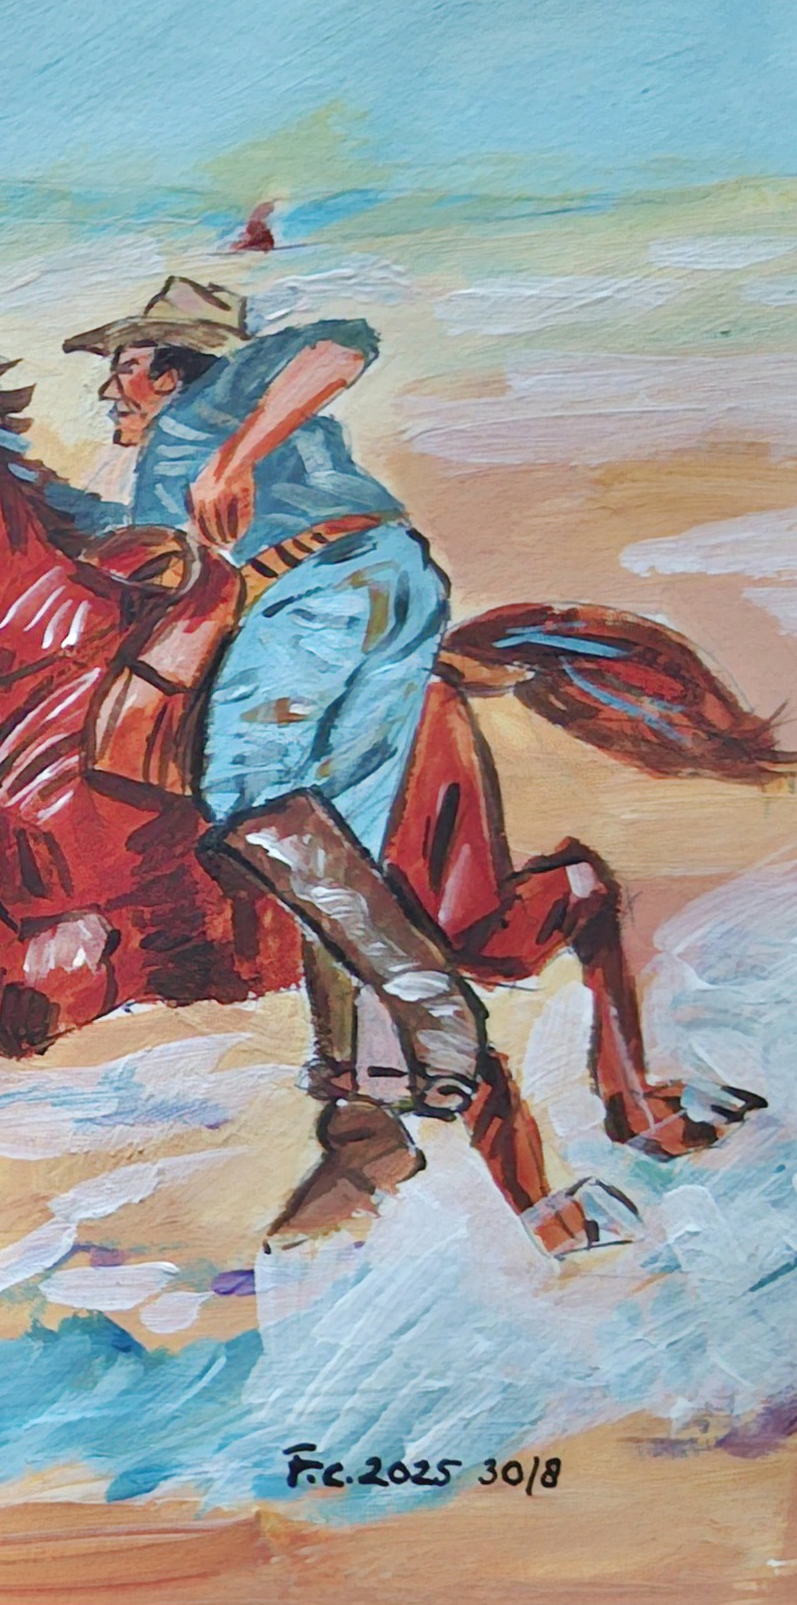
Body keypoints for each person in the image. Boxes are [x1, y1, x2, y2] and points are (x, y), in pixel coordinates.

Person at [64, 276, 483, 1115]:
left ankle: (434, 1003)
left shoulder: (220, 391)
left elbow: (341, 345)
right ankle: (381, 1065)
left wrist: (234, 456)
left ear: (173, 366)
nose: (112, 386)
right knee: (340, 840)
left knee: (244, 787)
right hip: (390, 580)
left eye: (127, 363)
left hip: (318, 588)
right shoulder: (164, 465)